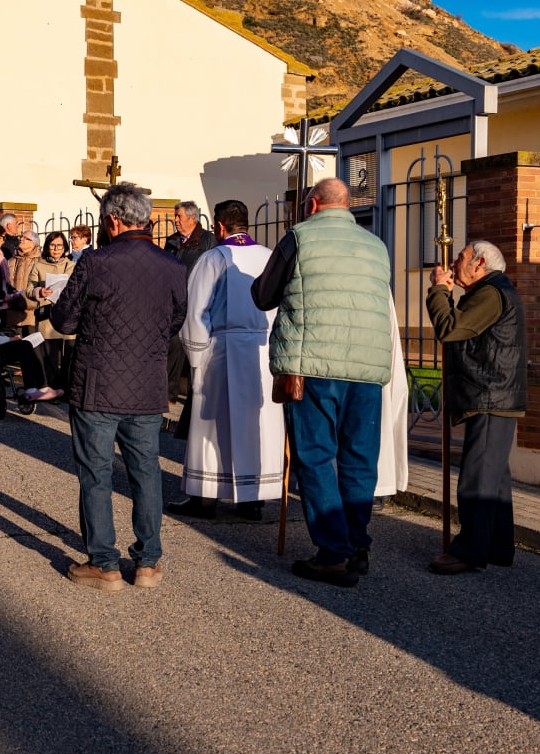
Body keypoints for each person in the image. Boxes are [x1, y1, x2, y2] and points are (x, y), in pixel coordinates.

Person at [251, 178, 392, 588]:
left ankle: (333, 552)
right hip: (366, 366)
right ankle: (357, 543)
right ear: (346, 206)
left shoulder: (299, 237)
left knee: (314, 455)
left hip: (311, 364)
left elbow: (264, 295)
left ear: (312, 205)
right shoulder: (376, 245)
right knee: (359, 457)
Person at [51, 182, 187, 591]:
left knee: (96, 472)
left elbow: (63, 320)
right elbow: (175, 322)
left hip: (98, 382)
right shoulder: (173, 265)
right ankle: (148, 562)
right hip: (146, 382)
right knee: (146, 471)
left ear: (112, 219)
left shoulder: (95, 262)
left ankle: (105, 563)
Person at [169, 199, 282, 522]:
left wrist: (195, 356)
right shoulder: (270, 256)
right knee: (255, 424)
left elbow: (196, 311)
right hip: (263, 350)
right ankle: (252, 498)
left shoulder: (214, 257)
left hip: (222, 349)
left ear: (219, 227)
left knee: (212, 427)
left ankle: (205, 497)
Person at [425, 240, 526, 575]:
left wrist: (438, 291)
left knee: (477, 478)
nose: (454, 264)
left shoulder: (492, 293)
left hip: (490, 396)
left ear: (481, 262)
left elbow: (450, 328)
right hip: (493, 395)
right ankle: (496, 546)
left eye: (461, 258)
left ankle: (469, 551)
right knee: (492, 479)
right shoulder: (490, 291)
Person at [165, 201, 216, 403]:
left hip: (198, 301)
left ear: (192, 218)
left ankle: (198, 393)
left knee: (197, 349)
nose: (175, 220)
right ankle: (169, 394)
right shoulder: (172, 241)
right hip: (175, 302)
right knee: (173, 345)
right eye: (175, 216)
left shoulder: (207, 241)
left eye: (179, 216)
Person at [27, 231, 75, 389]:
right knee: (50, 357)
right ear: (47, 247)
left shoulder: (71, 265)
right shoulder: (39, 266)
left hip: (67, 315)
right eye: (52, 245)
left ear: (65, 247)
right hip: (47, 318)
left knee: (69, 356)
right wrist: (39, 292)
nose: (56, 249)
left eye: (59, 245)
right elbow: (29, 289)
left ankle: (67, 390)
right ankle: (52, 389)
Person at [4, 228, 41, 335]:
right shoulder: (10, 261)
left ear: (33, 243)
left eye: (26, 238)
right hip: (12, 313)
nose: (21, 239)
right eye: (21, 237)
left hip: (31, 315)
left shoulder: (40, 261)